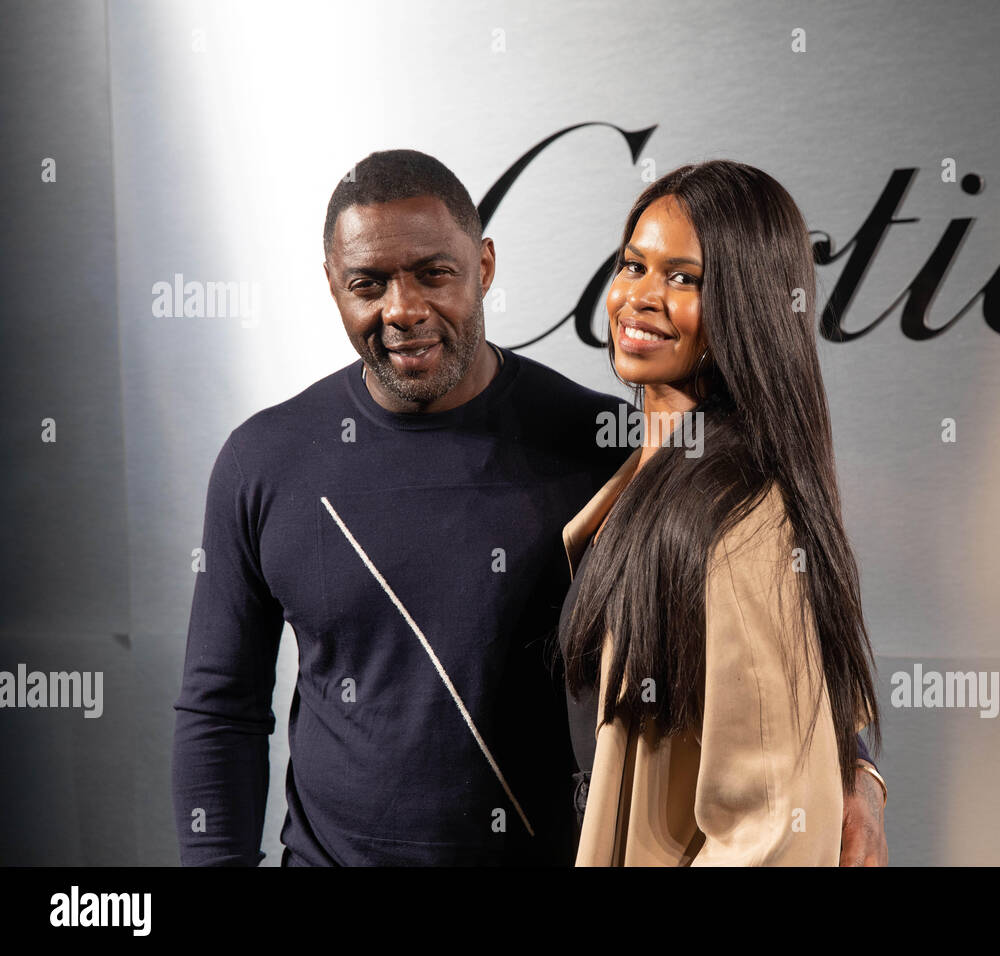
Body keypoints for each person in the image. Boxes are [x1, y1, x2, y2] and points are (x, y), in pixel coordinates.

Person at [172, 148, 885, 866]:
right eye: (368, 283)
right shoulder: (263, 460)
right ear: (331, 284)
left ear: (483, 267)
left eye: (433, 273)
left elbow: (773, 651)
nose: (403, 310)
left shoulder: (610, 451)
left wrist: (852, 771)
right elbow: (220, 709)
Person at [560, 160, 886, 865]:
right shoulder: (634, 479)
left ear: (749, 304)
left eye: (684, 278)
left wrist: (858, 776)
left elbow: (773, 826)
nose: (640, 297)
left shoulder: (742, 523)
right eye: (633, 265)